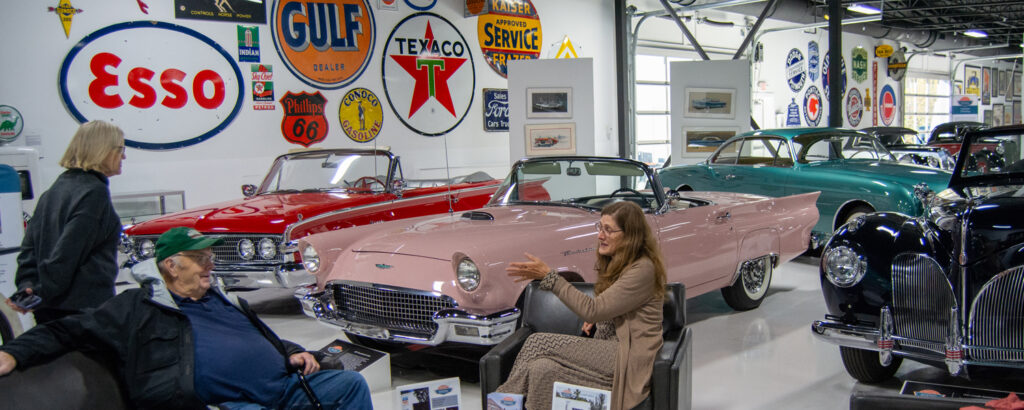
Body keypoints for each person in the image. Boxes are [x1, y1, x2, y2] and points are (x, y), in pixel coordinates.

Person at [0, 227, 372, 410]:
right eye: (200, 259)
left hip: (284, 386)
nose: (210, 264)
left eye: (210, 257)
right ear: (171, 266)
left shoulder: (220, 297)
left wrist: (291, 350)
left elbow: (257, 338)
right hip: (231, 404)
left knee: (349, 386)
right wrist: (15, 352)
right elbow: (68, 328)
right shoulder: (136, 306)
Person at [499, 201, 667, 410]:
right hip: (609, 349)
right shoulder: (619, 263)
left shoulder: (642, 269)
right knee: (542, 368)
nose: (600, 235)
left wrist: (549, 277)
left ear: (630, 235)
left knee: (537, 342)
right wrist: (600, 317)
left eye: (608, 230)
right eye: (600, 227)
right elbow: (611, 307)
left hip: (627, 354)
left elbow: (593, 309)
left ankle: (499, 404)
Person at [4, 120, 126, 324]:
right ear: (103, 150)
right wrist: (41, 292)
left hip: (48, 311)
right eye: (120, 149)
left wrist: (29, 291)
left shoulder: (52, 192)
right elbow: (67, 254)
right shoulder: (94, 193)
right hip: (81, 314)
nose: (124, 156)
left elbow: (29, 251)